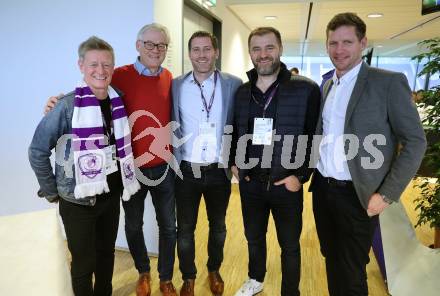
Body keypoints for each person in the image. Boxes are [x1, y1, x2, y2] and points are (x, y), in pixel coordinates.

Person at [44, 23, 177, 296]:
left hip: (163, 167)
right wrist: (56, 102)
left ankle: (165, 277)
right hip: (130, 171)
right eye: (149, 44)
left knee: (168, 226)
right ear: (138, 45)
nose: (155, 50)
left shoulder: (170, 78)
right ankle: (143, 272)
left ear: (166, 49)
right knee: (132, 226)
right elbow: (87, 90)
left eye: (161, 45)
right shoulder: (119, 75)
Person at [309, 12, 427, 296]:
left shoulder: (387, 82)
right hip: (323, 191)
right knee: (332, 260)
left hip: (358, 196)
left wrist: (386, 194)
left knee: (352, 271)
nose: (339, 50)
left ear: (363, 43)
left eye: (347, 42)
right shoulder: (328, 85)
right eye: (333, 42)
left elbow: (415, 141)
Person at [29, 36, 140, 296]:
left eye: (106, 65)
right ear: (81, 65)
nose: (100, 71)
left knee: (106, 256)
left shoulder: (118, 100)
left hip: (111, 195)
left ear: (113, 67)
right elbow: (37, 151)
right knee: (83, 263)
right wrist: (52, 191)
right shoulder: (67, 106)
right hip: (78, 201)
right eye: (93, 64)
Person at [230, 27, 320, 296]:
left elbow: (315, 136)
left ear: (280, 48)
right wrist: (234, 165)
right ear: (250, 53)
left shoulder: (306, 89)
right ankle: (255, 280)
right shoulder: (242, 92)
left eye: (269, 47)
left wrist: (300, 177)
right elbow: (234, 131)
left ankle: (290, 291)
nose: (263, 54)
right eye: (256, 49)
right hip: (251, 184)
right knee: (254, 238)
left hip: (286, 184)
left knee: (290, 245)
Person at [171, 31, 242, 296]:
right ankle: (188, 276)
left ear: (216, 52)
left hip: (218, 170)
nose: (202, 55)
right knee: (185, 228)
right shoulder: (176, 85)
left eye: (207, 49)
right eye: (196, 50)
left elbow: (241, 121)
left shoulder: (233, 84)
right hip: (186, 170)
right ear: (189, 54)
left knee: (219, 226)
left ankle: (214, 269)